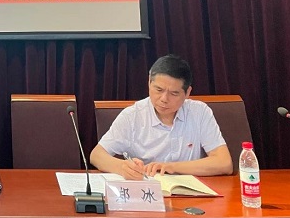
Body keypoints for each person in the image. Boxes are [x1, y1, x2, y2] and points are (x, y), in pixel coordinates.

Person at [90, 54, 232, 179]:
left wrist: (171, 167)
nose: (164, 99)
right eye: (158, 89)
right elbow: (96, 155)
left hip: (191, 193)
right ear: (149, 83)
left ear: (187, 92)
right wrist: (122, 167)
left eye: (174, 93)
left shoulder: (199, 112)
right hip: (147, 192)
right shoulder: (132, 116)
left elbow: (224, 163)